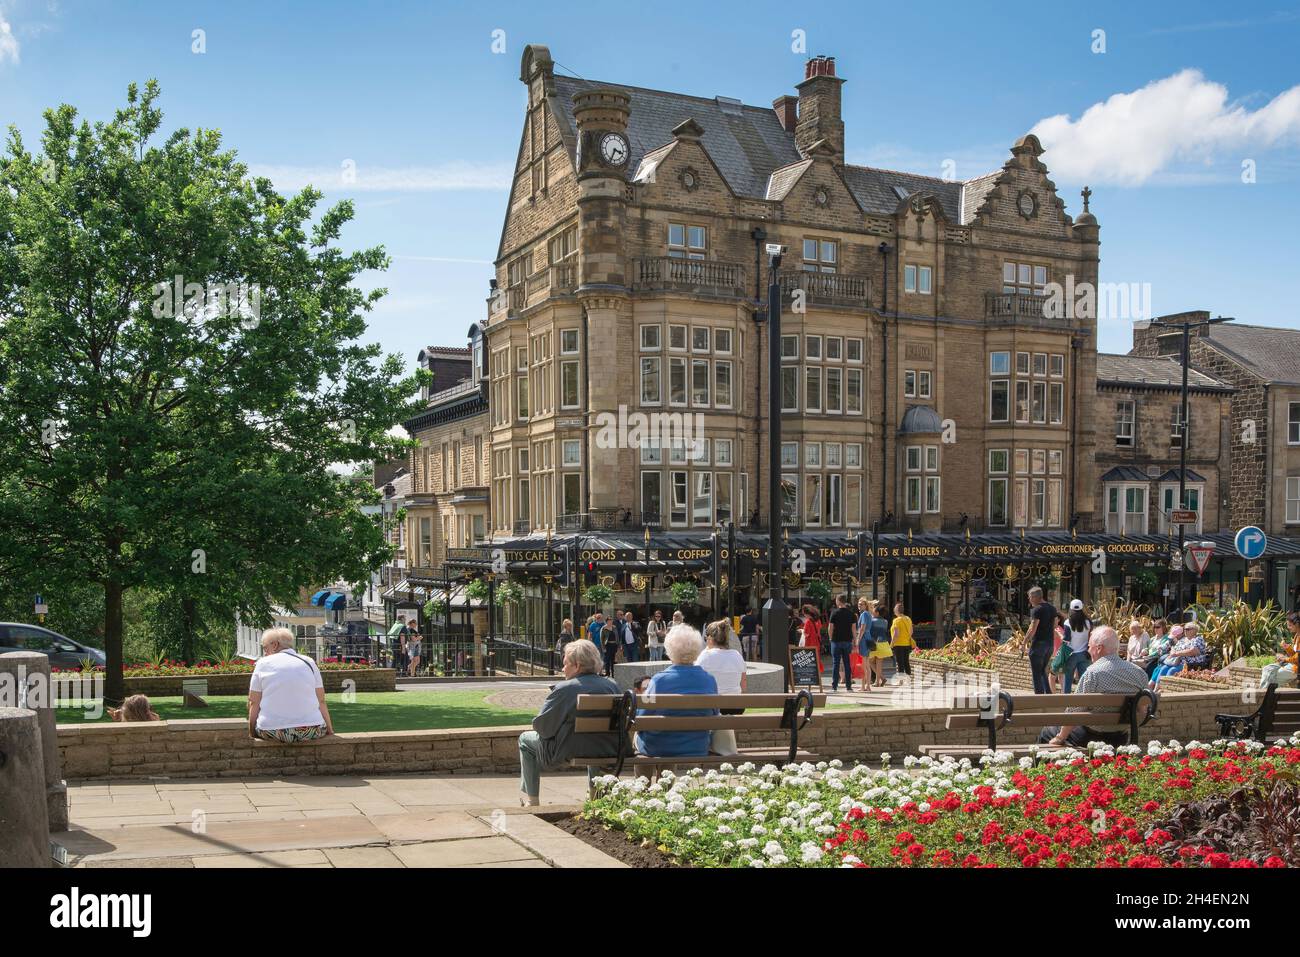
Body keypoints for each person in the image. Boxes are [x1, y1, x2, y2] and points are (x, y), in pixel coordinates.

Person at [517, 639, 621, 807]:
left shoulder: (564, 689)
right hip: (607, 748)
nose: (563, 668)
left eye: (565, 664)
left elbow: (543, 729)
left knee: (524, 739)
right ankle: (596, 797)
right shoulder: (613, 686)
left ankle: (532, 800)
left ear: (578, 665)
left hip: (565, 750)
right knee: (593, 741)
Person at [1039, 626, 1151, 748]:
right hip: (1121, 737)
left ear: (1098, 648)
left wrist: (1060, 737)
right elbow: (1142, 711)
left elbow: (1074, 711)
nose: (1088, 650)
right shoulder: (1139, 672)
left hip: (1090, 737)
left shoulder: (1093, 673)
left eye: (1089, 646)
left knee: (1047, 732)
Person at [635, 625, 718, 757]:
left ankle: (643, 778)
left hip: (658, 748)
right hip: (696, 747)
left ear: (669, 650)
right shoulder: (709, 680)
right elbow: (714, 715)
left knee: (638, 737)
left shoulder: (658, 680)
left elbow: (641, 717)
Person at [247, 627, 333, 742]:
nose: (265, 652)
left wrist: (251, 732)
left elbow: (254, 701)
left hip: (272, 731)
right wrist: (330, 729)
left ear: (275, 645)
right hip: (313, 729)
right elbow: (321, 700)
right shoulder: (309, 662)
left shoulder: (262, 663)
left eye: (265, 648)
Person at [698, 618, 748, 754]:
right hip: (735, 706)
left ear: (709, 638)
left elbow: (698, 682)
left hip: (712, 707)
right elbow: (743, 685)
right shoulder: (737, 655)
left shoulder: (705, 656)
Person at [1022, 585, 1059, 695]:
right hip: (1049, 644)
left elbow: (1033, 629)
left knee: (1036, 673)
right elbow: (1055, 624)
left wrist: (1023, 643)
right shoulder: (1052, 608)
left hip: (1039, 645)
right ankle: (1047, 695)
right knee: (1042, 670)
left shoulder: (1037, 609)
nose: (1029, 599)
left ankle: (1038, 699)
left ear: (1035, 597)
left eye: (1029, 597)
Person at [1149, 621, 1208, 686]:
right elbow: (1174, 648)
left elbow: (1193, 651)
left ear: (1195, 630)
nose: (1185, 631)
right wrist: (1172, 653)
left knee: (1172, 670)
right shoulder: (1183, 640)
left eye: (1187, 629)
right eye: (1184, 629)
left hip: (1191, 664)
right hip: (1178, 662)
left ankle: (1164, 689)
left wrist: (1177, 653)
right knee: (1164, 668)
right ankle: (1156, 689)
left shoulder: (1197, 639)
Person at [1259, 611, 1299, 688]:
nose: (1288, 627)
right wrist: (1287, 648)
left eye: (1290, 625)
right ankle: (1264, 694)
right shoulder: (1296, 636)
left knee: (1272, 675)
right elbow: (1295, 654)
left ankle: (1264, 696)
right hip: (1292, 664)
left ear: (1297, 624)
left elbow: (1298, 658)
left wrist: (1285, 659)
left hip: (1296, 668)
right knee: (1267, 669)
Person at [1061, 599, 1092, 693]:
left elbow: (1066, 640)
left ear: (1071, 608)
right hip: (1084, 654)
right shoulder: (1088, 622)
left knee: (1068, 681)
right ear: (1082, 608)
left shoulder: (1067, 622)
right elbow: (1090, 636)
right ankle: (1083, 703)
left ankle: (1066, 703)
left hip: (1071, 654)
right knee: (1084, 681)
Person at [828, 594, 857, 692]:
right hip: (847, 641)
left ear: (838, 601)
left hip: (836, 641)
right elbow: (854, 629)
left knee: (836, 663)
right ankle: (848, 686)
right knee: (847, 663)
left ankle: (834, 687)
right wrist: (855, 641)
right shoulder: (851, 614)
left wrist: (830, 638)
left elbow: (830, 628)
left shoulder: (834, 613)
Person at [868, 603, 892, 688]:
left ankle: (881, 679)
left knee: (870, 661)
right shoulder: (885, 621)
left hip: (874, 643)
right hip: (884, 643)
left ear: (877, 613)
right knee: (879, 664)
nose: (872, 612)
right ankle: (878, 681)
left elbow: (870, 632)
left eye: (873, 611)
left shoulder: (872, 621)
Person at [890, 601, 915, 678]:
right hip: (907, 643)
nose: (894, 610)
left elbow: (896, 634)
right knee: (906, 661)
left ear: (897, 610)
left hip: (898, 644)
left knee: (900, 663)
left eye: (894, 609)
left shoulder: (896, 620)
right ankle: (908, 678)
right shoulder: (908, 619)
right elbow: (911, 632)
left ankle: (901, 680)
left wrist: (891, 644)